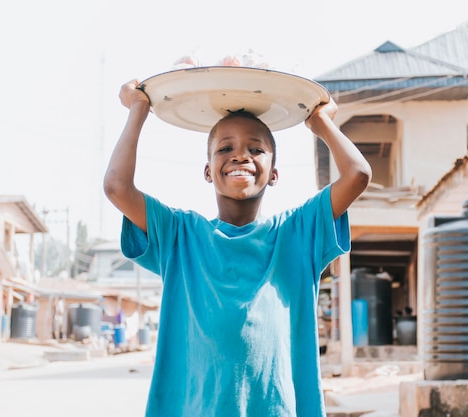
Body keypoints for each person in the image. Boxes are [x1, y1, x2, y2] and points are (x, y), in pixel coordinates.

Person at [103, 79, 371, 417]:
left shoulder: (296, 234)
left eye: (256, 149)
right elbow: (117, 187)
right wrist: (138, 107)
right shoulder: (180, 235)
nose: (240, 155)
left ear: (274, 173)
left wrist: (321, 121)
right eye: (224, 148)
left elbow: (358, 174)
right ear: (207, 171)